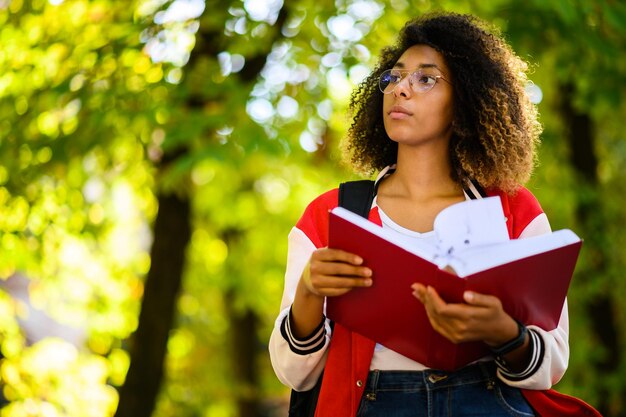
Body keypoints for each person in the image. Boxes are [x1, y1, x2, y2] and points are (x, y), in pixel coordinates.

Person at [270, 12, 571, 417]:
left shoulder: (515, 211)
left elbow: (552, 363)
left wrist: (504, 333)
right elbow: (294, 374)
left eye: (425, 78)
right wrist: (308, 291)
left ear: (465, 99)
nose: (401, 90)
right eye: (393, 78)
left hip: (488, 401)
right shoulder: (331, 214)